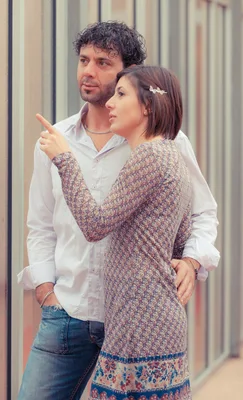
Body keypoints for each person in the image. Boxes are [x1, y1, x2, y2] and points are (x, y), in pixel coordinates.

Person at [17, 21, 219, 399]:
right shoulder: (56, 139)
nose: (88, 71)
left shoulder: (166, 143)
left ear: (128, 73)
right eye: (83, 60)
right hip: (68, 312)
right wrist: (47, 291)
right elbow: (40, 224)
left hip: (134, 320)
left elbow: (200, 214)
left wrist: (191, 261)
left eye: (103, 62)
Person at [38, 65, 192, 399]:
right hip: (155, 318)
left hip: (140, 321)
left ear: (148, 106)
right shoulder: (172, 156)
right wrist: (182, 263)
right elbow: (180, 240)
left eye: (121, 94)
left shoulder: (150, 155)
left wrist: (64, 159)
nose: (111, 102)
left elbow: (95, 225)